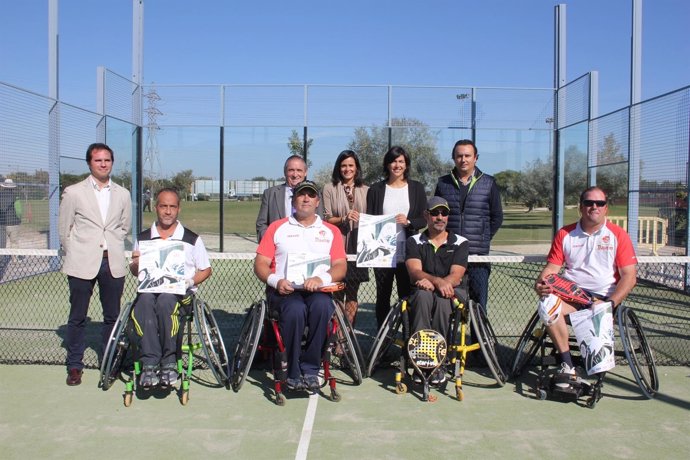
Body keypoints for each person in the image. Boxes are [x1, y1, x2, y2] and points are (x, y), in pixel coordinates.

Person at [534, 186, 637, 387]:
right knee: (547, 305)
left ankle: (593, 370)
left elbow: (629, 277)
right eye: (589, 203)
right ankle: (567, 366)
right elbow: (551, 269)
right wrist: (540, 284)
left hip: (603, 299)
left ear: (606, 208)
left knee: (597, 363)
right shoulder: (565, 233)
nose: (594, 207)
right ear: (581, 207)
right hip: (571, 297)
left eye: (600, 203)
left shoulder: (618, 235)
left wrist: (611, 303)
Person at [254, 180, 347, 392]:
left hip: (317, 291)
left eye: (310, 195)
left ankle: (311, 368)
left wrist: (321, 279)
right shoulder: (277, 228)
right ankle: (293, 370)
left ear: (317, 202)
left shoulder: (330, 231)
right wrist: (276, 281)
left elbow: (340, 266)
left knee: (323, 307)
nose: (306, 198)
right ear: (293, 200)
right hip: (285, 291)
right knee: (295, 310)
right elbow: (260, 263)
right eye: (301, 195)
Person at [58, 143, 132, 386]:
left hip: (112, 264)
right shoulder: (73, 192)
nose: (103, 164)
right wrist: (78, 253)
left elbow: (124, 227)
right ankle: (75, 365)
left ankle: (108, 362)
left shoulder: (123, 193)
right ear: (89, 163)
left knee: (112, 317)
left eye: (107, 160)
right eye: (98, 160)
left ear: (112, 162)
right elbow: (64, 230)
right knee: (77, 317)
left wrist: (112, 246)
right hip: (81, 263)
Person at [128, 188, 212, 388]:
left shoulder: (191, 239)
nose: (167, 211)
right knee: (145, 301)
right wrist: (136, 263)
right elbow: (134, 271)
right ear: (156, 208)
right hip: (150, 292)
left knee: (166, 300)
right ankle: (149, 364)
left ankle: (169, 362)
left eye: (172, 206)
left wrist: (189, 282)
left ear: (178, 209)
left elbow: (206, 269)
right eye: (163, 206)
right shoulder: (143, 238)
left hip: (180, 296)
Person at [405, 197, 469, 384]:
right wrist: (435, 282)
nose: (439, 217)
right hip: (424, 289)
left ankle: (438, 361)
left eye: (444, 213)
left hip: (451, 290)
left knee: (442, 300)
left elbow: (456, 275)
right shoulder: (414, 241)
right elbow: (415, 271)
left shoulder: (461, 242)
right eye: (434, 213)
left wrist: (439, 284)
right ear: (426, 215)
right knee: (423, 297)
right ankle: (421, 360)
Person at [434, 139, 503, 312]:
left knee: (478, 305)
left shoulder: (489, 182)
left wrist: (483, 236)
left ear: (475, 158)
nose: (463, 159)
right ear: (453, 158)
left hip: (477, 256)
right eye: (459, 156)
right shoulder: (443, 184)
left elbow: (497, 217)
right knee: (447, 302)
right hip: (449, 254)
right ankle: (448, 339)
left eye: (467, 155)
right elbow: (436, 215)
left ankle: (478, 339)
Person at [366, 146, 427, 329]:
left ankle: (407, 341)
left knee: (406, 297)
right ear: (387, 164)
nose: (397, 165)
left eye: (401, 161)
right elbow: (370, 220)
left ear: (406, 164)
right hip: (382, 252)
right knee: (382, 298)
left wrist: (409, 222)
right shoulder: (376, 189)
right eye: (393, 161)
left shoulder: (416, 188)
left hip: (408, 252)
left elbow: (423, 219)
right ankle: (383, 343)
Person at [322, 150, 369, 327]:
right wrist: (343, 218)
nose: (347, 169)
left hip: (358, 248)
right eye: (343, 165)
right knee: (335, 292)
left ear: (356, 168)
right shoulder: (329, 188)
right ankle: (334, 333)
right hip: (336, 247)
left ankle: (347, 336)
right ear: (338, 167)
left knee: (352, 293)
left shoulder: (366, 190)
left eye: (350, 165)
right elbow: (326, 218)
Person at [256, 155, 324, 243]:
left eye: (299, 170)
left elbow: (321, 222)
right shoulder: (270, 194)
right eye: (291, 170)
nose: (295, 175)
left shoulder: (315, 194)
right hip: (278, 249)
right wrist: (270, 242)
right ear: (285, 172)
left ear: (305, 172)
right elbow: (261, 224)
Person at [0, 178, 22, 280]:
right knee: (14, 242)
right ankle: (15, 259)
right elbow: (19, 210)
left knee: (1, 243)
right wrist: (19, 218)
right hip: (13, 223)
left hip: (2, 224)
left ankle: (1, 259)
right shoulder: (15, 196)